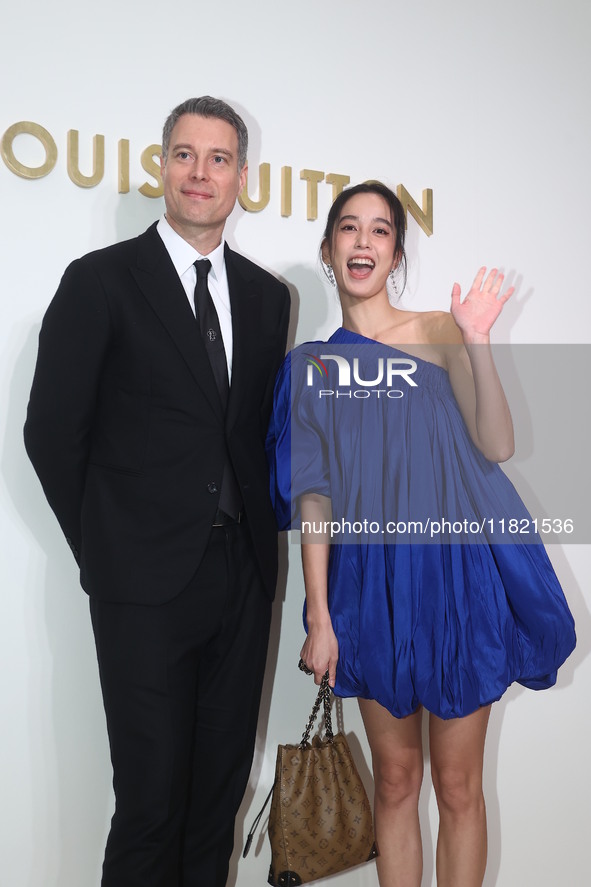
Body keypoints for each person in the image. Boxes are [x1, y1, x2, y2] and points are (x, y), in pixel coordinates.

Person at [266, 181, 575, 887]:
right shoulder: (308, 368)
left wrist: (477, 339)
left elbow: (497, 444)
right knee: (397, 780)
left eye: (379, 231)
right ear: (328, 249)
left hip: (455, 581)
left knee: (458, 787)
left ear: (396, 253)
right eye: (349, 228)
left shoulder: (438, 330)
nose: (363, 241)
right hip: (367, 589)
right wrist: (319, 615)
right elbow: (314, 499)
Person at [24, 96, 290, 887]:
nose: (199, 172)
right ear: (160, 167)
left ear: (242, 175)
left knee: (217, 801)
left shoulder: (269, 296)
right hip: (141, 585)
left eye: (217, 158)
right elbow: (51, 433)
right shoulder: (101, 281)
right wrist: (110, 545)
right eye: (184, 154)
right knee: (149, 805)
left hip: (241, 582)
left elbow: (251, 439)